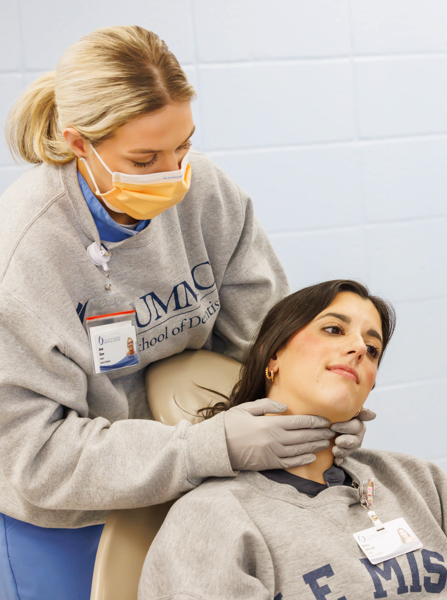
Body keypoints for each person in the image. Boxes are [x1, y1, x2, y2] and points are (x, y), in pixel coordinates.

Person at [0, 26, 371, 600]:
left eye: (183, 147)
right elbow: (35, 454)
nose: (172, 176)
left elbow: (267, 341)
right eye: (144, 159)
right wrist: (209, 446)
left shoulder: (208, 196)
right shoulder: (23, 255)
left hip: (198, 488)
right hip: (65, 520)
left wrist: (315, 410)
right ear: (79, 144)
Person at [139, 280, 447, 600]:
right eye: (334, 329)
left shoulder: (418, 483)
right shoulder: (215, 515)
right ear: (271, 354)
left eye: (373, 348)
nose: (358, 350)